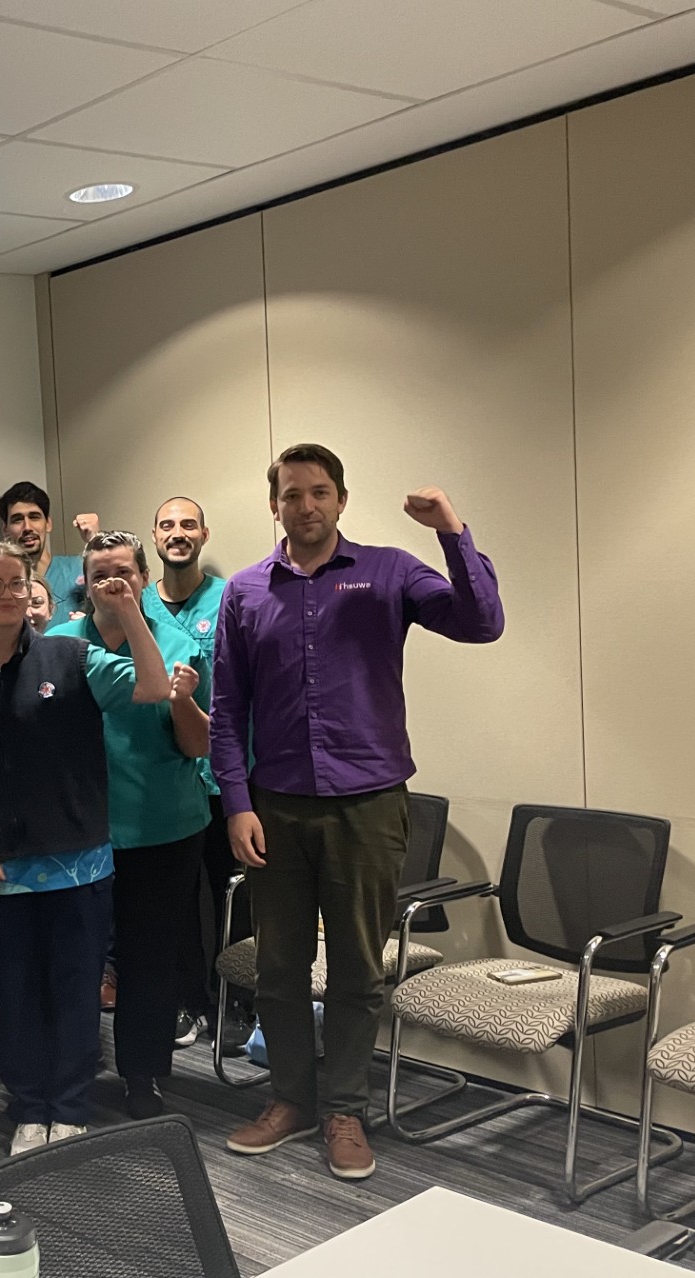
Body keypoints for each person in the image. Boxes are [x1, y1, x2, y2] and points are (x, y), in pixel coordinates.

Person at [213, 443, 503, 1182]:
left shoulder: (390, 572)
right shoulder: (245, 592)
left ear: (341, 499)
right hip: (276, 808)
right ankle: (290, 1100)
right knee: (278, 967)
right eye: (291, 494)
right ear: (273, 504)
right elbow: (227, 710)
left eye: (319, 492)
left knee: (356, 969)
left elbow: (481, 623)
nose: (305, 505)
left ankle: (345, 1108)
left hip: (369, 804)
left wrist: (450, 530)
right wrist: (237, 803)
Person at [0, 541, 173, 1155]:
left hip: (78, 868)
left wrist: (130, 611)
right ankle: (28, 1107)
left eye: (17, 582)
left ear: (30, 589)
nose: (7, 593)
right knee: (12, 998)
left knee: (73, 993)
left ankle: (69, 1107)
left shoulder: (71, 655)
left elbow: (152, 686)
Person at [48, 533, 210, 1120]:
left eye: (124, 573)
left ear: (144, 578)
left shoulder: (180, 644)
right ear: (85, 584)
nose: (113, 584)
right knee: (76, 958)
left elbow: (198, 743)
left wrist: (183, 700)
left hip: (162, 827)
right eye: (100, 575)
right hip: (79, 832)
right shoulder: (59, 644)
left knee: (149, 960)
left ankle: (143, 1075)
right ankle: (70, 1067)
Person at [149, 496, 237, 1048]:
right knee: (176, 900)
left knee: (235, 894)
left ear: (204, 534)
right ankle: (188, 1000)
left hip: (227, 775)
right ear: (155, 537)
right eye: (167, 525)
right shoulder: (137, 604)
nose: (177, 533)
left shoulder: (232, 598)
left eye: (187, 524)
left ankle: (236, 1001)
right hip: (166, 779)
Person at [0, 481, 98, 615]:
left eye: (34, 517)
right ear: (5, 530)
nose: (27, 527)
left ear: (48, 524)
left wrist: (95, 540)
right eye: (17, 520)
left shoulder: (78, 570)